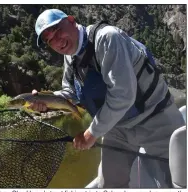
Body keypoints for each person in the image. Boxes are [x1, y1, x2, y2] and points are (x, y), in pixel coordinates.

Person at [31, 9, 185, 188]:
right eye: (49, 40)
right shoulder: (70, 56)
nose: (56, 41)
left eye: (56, 30)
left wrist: (91, 134)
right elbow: (70, 93)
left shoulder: (107, 38)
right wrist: (47, 101)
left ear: (72, 21)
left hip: (155, 118)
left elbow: (122, 95)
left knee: (175, 181)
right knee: (109, 183)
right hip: (116, 126)